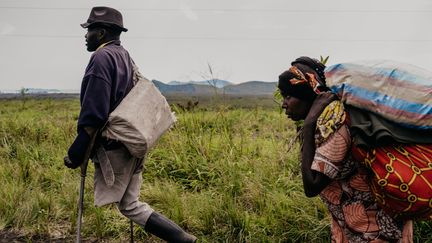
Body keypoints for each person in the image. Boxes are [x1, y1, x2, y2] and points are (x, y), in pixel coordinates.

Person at [63, 6, 197, 243]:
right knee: (131, 204)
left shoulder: (101, 58)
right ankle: (183, 239)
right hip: (133, 141)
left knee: (129, 205)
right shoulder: (125, 56)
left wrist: (76, 152)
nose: (85, 35)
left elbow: (94, 114)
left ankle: (182, 239)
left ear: (102, 33)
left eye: (89, 30)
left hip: (115, 145)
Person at [278, 56, 414, 242]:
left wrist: (308, 125)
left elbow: (311, 186)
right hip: (355, 226)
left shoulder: (335, 124)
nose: (284, 104)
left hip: (374, 231)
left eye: (288, 96)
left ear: (307, 95)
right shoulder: (327, 119)